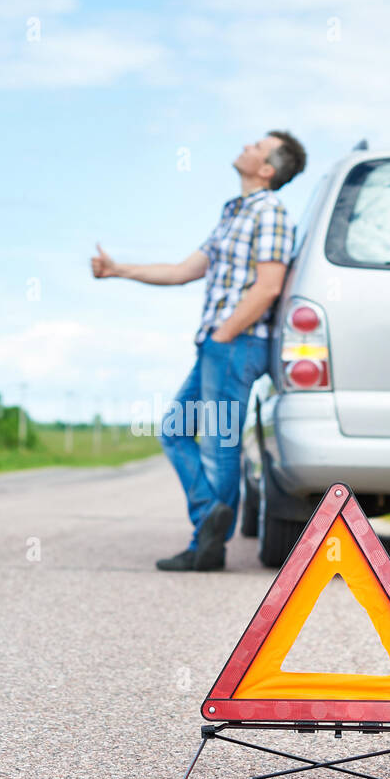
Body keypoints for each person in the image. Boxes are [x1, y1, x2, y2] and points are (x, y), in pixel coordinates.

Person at [91, 131, 307, 570]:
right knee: (174, 430)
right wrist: (119, 270)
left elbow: (268, 287)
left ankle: (207, 543)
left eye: (257, 146)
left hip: (236, 343)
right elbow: (181, 271)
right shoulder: (234, 214)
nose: (246, 145)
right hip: (218, 344)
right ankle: (210, 519)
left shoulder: (271, 213)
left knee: (219, 443)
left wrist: (225, 334)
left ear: (267, 169)